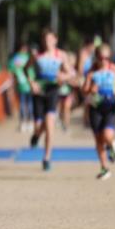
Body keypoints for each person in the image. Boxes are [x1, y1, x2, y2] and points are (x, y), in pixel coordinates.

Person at [27, 28, 74, 171]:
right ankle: (35, 135)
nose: (48, 42)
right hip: (39, 91)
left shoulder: (61, 55)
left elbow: (70, 73)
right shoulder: (37, 55)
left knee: (49, 125)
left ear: (55, 40)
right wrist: (32, 83)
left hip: (53, 91)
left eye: (50, 39)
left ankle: (46, 158)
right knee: (38, 127)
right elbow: (26, 69)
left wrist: (63, 77)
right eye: (45, 40)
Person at [82, 44, 115, 180]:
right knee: (98, 140)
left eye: (107, 58)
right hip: (95, 106)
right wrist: (90, 89)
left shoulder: (114, 69)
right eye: (101, 58)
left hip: (110, 106)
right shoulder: (91, 72)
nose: (104, 61)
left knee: (107, 135)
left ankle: (111, 145)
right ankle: (104, 168)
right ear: (96, 58)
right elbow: (84, 90)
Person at [9, 43, 34, 132]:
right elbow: (33, 69)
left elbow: (12, 70)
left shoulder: (15, 58)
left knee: (23, 104)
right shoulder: (29, 57)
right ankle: (30, 123)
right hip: (29, 83)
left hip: (21, 83)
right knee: (29, 103)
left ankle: (23, 123)